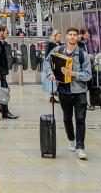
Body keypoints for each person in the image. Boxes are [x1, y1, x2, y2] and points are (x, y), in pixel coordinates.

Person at [42, 27, 92, 160]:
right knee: (67, 118)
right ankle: (71, 139)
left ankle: (80, 147)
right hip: (64, 90)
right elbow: (46, 61)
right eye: (70, 34)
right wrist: (50, 73)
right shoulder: (57, 51)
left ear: (77, 37)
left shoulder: (83, 55)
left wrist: (73, 74)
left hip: (80, 91)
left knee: (80, 119)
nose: (72, 37)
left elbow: (88, 75)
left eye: (74, 35)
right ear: (66, 36)